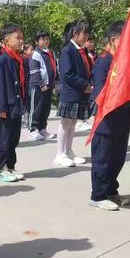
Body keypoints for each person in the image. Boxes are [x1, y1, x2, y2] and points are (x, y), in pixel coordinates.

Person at [89, 21, 130, 211]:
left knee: (117, 159)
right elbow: (101, 95)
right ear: (114, 40)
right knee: (103, 160)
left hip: (122, 121)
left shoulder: (124, 64)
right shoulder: (103, 63)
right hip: (106, 122)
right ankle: (98, 195)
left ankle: (110, 191)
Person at [55, 21, 93, 168]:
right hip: (71, 93)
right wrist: (84, 85)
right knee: (65, 124)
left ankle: (68, 151)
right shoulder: (68, 50)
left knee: (72, 124)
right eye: (84, 33)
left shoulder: (81, 50)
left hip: (80, 93)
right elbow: (67, 74)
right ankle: (60, 154)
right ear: (75, 34)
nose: (87, 36)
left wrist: (90, 84)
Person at [0, 24, 26, 183]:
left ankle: (11, 166)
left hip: (17, 106)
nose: (21, 41)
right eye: (17, 38)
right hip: (7, 107)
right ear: (6, 40)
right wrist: (1, 109)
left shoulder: (18, 60)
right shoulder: (2, 60)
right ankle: (1, 168)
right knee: (4, 139)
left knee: (14, 138)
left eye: (21, 38)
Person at [28, 31, 57, 141]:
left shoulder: (50, 53)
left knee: (46, 108)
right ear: (36, 42)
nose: (45, 41)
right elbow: (34, 70)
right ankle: (33, 129)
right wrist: (40, 84)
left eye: (47, 39)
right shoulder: (36, 54)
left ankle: (42, 128)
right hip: (38, 86)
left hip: (48, 86)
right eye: (42, 39)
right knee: (36, 108)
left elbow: (54, 68)